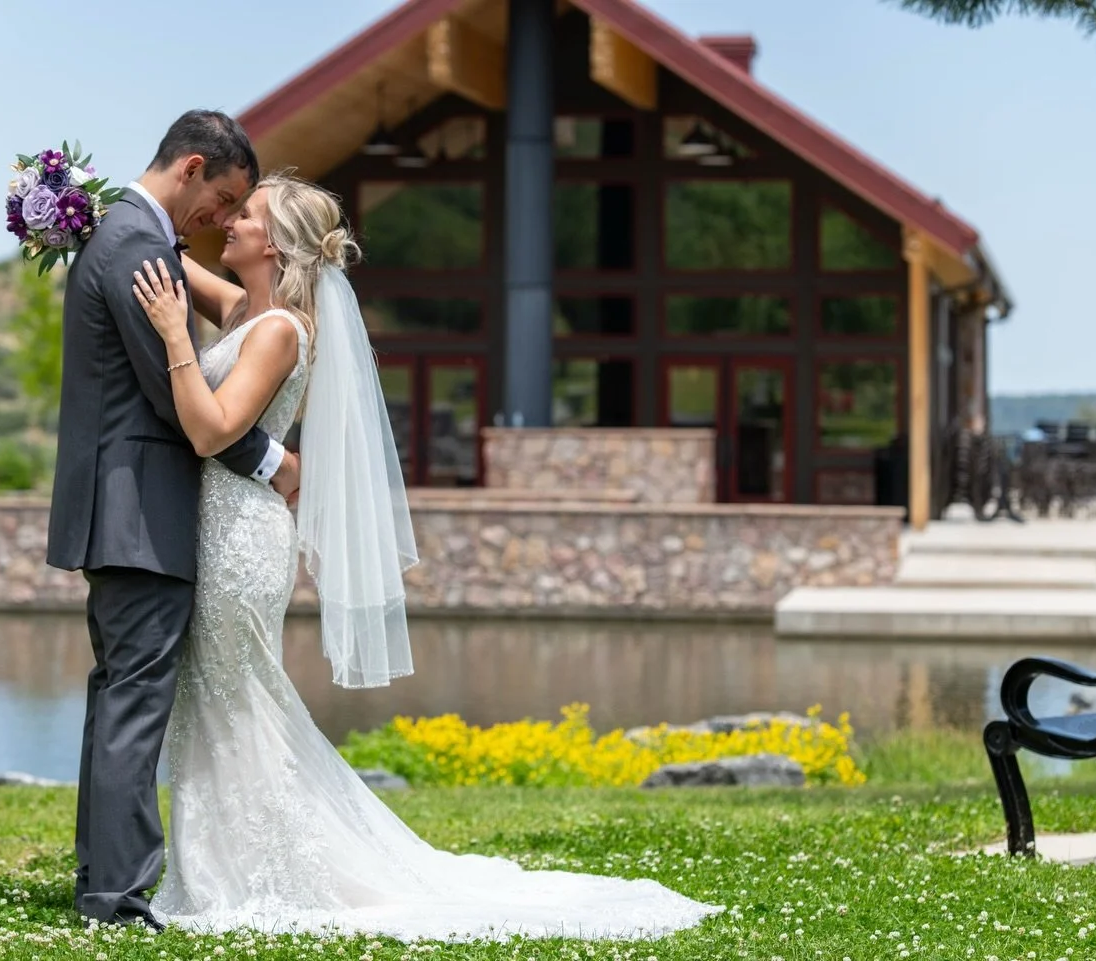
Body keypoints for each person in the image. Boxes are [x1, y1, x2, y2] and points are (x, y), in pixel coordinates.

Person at [127, 172, 721, 941]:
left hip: (240, 536)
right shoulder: (249, 308)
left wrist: (176, 337)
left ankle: (268, 865)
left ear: (272, 243)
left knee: (237, 698)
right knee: (217, 699)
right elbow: (170, 264)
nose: (229, 223)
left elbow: (210, 432)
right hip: (216, 525)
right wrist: (84, 214)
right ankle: (228, 859)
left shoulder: (279, 331)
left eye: (244, 215)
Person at [45, 111, 300, 932]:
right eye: (223, 199)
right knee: (134, 701)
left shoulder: (130, 238)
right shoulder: (137, 248)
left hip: (126, 511)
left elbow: (237, 320)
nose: (223, 220)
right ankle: (117, 897)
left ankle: (101, 881)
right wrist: (277, 465)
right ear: (191, 167)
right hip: (141, 516)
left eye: (238, 214)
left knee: (117, 696)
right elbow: (186, 407)